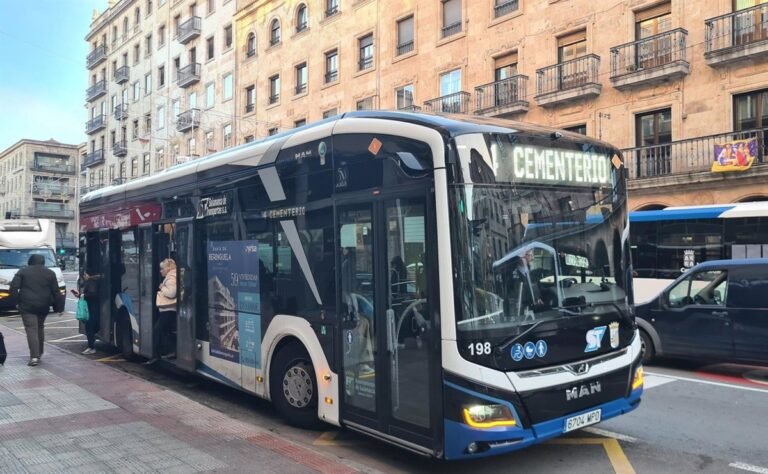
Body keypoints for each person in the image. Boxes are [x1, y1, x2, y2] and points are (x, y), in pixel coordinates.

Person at [9, 254, 60, 366]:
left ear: (30, 261)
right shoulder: (50, 273)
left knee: (31, 329)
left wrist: (16, 302)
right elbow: (56, 291)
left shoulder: (23, 271)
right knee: (40, 327)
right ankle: (39, 352)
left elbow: (13, 287)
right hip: (44, 305)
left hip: (27, 305)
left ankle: (34, 357)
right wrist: (58, 308)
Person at [145, 258, 177, 365]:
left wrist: (162, 287)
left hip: (168, 310)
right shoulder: (172, 276)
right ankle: (170, 351)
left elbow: (172, 293)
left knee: (157, 331)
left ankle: (156, 356)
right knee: (165, 332)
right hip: (168, 310)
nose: (160, 271)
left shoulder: (171, 277)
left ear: (168, 269)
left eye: (162, 269)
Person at [76, 268, 102, 355]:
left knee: (89, 327)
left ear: (88, 275)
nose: (84, 277)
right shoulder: (95, 280)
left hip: (91, 308)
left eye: (84, 275)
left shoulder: (92, 282)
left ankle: (91, 347)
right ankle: (91, 345)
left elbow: (92, 294)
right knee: (91, 327)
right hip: (94, 308)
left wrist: (82, 295)